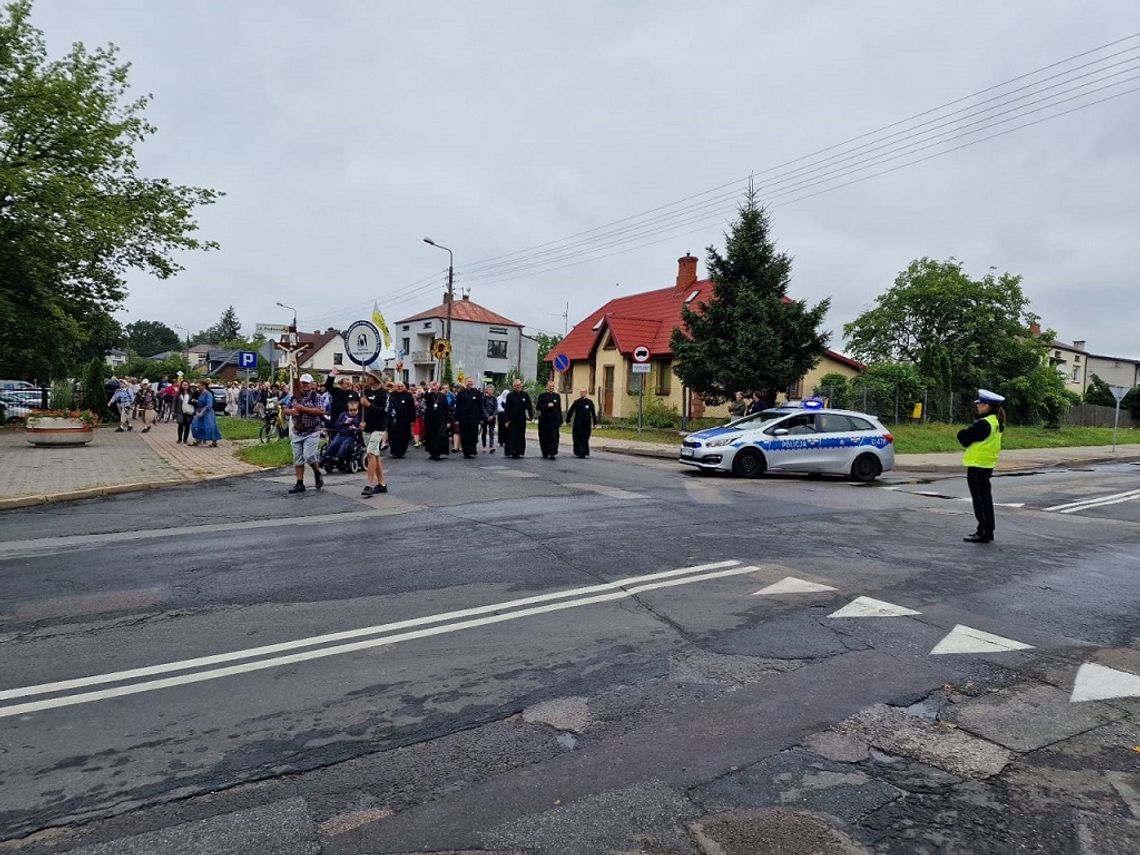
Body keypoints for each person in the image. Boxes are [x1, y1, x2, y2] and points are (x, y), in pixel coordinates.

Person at [958, 389, 1006, 544]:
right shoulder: (996, 422)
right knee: (985, 498)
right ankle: (988, 530)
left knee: (979, 500)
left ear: (987, 406)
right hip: (986, 465)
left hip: (977, 466)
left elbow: (964, 438)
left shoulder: (983, 424)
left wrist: (961, 432)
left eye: (980, 403)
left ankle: (983, 531)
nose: (977, 406)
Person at [284, 373, 325, 493]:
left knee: (309, 455)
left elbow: (321, 411)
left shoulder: (316, 397)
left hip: (312, 430)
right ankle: (299, 483)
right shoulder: (294, 396)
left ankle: (317, 472)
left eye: (307, 383)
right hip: (297, 431)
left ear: (312, 384)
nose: (305, 385)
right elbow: (285, 410)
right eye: (303, 383)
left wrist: (303, 409)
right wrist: (291, 411)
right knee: (297, 458)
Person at [360, 371, 388, 496]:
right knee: (375, 456)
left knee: (370, 454)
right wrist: (361, 421)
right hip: (367, 427)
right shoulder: (366, 392)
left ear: (376, 379)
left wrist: (369, 404)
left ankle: (369, 485)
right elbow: (362, 410)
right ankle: (382, 483)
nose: (367, 379)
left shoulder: (384, 394)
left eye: (370, 377)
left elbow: (383, 411)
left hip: (379, 428)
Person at [324, 398, 362, 466]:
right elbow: (336, 425)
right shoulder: (344, 414)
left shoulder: (359, 417)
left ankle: (340, 460)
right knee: (331, 447)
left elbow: (361, 429)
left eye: (354, 410)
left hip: (351, 437)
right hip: (340, 435)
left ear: (357, 409)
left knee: (343, 449)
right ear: (348, 409)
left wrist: (354, 428)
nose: (352, 412)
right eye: (351, 410)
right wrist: (344, 422)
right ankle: (324, 460)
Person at [503, 379, 534, 458]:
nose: (518, 386)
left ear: (521, 385)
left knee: (521, 435)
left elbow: (529, 407)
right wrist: (506, 420)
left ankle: (520, 451)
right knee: (512, 435)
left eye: (519, 385)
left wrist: (530, 416)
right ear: (513, 386)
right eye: (516, 385)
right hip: (512, 419)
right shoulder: (510, 395)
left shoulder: (525, 395)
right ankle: (512, 451)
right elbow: (506, 409)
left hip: (521, 419)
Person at [454, 377, 484, 459]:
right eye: (468, 382)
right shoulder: (461, 393)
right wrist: (456, 419)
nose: (470, 383)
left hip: (474, 418)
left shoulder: (477, 393)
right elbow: (458, 408)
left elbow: (480, 406)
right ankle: (466, 452)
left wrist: (481, 418)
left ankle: (473, 450)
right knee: (465, 435)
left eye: (471, 381)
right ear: (465, 382)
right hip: (464, 418)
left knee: (474, 434)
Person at [565, 388, 599, 458]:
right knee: (577, 438)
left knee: (585, 438)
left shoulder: (589, 402)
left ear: (586, 393)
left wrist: (595, 423)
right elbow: (571, 410)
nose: (582, 393)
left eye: (583, 392)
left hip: (586, 423)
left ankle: (584, 452)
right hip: (578, 423)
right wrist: (568, 419)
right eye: (581, 392)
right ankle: (579, 452)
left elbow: (593, 413)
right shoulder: (577, 402)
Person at [422, 381, 451, 460]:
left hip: (441, 418)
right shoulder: (428, 394)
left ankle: (438, 452)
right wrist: (430, 389)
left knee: (440, 435)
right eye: (433, 387)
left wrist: (448, 421)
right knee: (431, 435)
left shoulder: (442, 396)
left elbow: (446, 409)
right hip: (430, 418)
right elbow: (426, 396)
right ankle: (432, 452)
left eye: (436, 387)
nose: (435, 388)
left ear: (439, 388)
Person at [386, 380, 415, 458]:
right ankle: (394, 451)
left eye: (401, 386)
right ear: (395, 387)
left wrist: (413, 420)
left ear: (404, 387)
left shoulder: (408, 395)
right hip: (393, 420)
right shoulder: (391, 395)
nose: (400, 388)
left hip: (405, 420)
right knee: (393, 436)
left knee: (403, 436)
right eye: (398, 386)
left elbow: (412, 408)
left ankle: (402, 452)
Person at [190, 380, 222, 447]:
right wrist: (196, 401)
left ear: (203, 386)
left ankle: (214, 441)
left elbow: (209, 405)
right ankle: (198, 440)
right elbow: (201, 402)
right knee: (197, 425)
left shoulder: (208, 394)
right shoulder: (201, 393)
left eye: (200, 385)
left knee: (210, 426)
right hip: (200, 411)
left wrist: (202, 412)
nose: (198, 387)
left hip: (207, 413)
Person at [536, 379, 562, 459]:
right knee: (544, 437)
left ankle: (552, 452)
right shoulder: (542, 396)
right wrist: (547, 405)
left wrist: (560, 420)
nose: (551, 388)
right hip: (544, 421)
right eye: (550, 386)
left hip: (554, 421)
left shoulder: (557, 396)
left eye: (553, 386)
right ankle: (545, 452)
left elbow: (559, 409)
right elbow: (538, 407)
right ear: (547, 387)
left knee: (554, 437)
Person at [480, 384, 498, 453]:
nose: (490, 391)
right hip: (485, 417)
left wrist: (493, 416)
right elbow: (483, 407)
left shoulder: (494, 398)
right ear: (486, 390)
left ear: (493, 391)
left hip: (492, 417)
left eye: (491, 390)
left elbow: (496, 408)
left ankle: (491, 446)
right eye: (489, 389)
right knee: (484, 432)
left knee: (491, 432)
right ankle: (484, 446)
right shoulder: (484, 398)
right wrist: (487, 416)